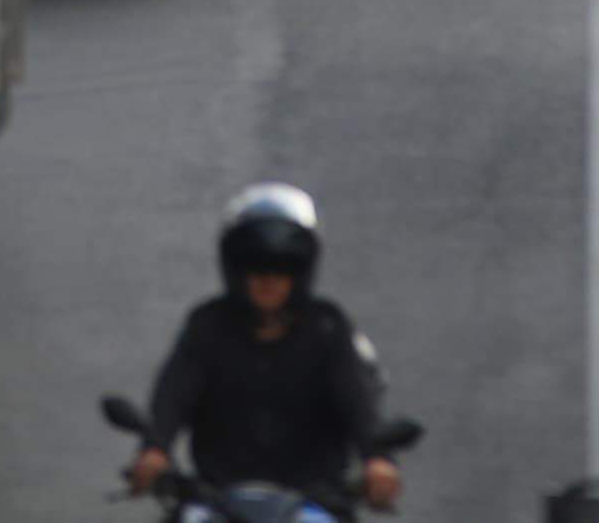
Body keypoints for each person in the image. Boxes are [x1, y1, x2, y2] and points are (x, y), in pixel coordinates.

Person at [129, 186, 405, 515]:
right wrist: (154, 449)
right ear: (235, 269)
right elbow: (175, 391)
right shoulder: (207, 326)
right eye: (254, 265)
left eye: (282, 266)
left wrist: (377, 459)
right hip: (215, 502)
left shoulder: (328, 328)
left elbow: (356, 396)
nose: (268, 279)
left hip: (313, 504)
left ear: (301, 271)